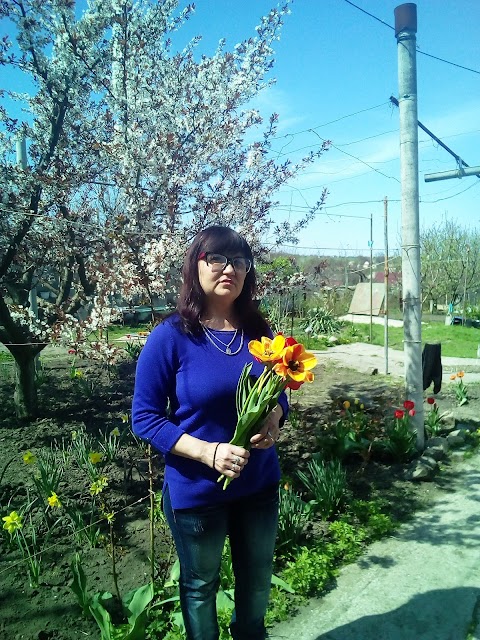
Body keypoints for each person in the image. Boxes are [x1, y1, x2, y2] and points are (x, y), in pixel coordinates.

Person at [132, 225, 288, 640]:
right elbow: (145, 418)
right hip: (198, 491)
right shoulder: (171, 337)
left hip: (258, 485)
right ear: (195, 266)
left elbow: (278, 391)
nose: (228, 269)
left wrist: (274, 418)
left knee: (256, 583)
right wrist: (208, 453)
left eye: (238, 261)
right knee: (200, 588)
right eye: (216, 258)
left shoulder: (261, 332)